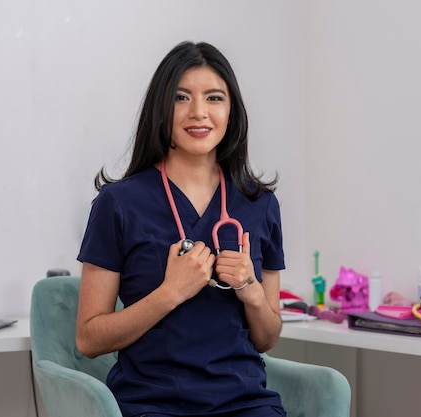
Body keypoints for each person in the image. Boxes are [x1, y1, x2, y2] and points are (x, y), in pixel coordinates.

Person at [76, 41, 286, 417]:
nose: (199, 112)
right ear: (161, 109)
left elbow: (267, 338)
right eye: (181, 97)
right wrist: (170, 292)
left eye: (214, 98)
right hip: (152, 404)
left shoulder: (259, 205)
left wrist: (250, 290)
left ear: (231, 111)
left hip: (244, 404)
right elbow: (89, 339)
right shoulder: (118, 204)